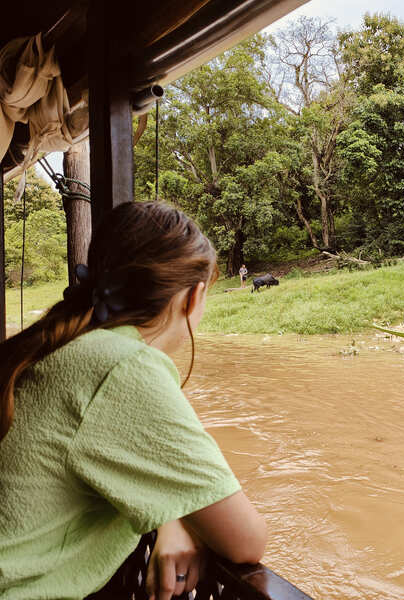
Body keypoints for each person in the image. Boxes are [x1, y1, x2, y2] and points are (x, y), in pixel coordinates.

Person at [0, 202, 268, 600]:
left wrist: (172, 515)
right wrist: (178, 516)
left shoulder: (60, 343)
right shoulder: (122, 367)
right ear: (193, 299)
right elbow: (246, 541)